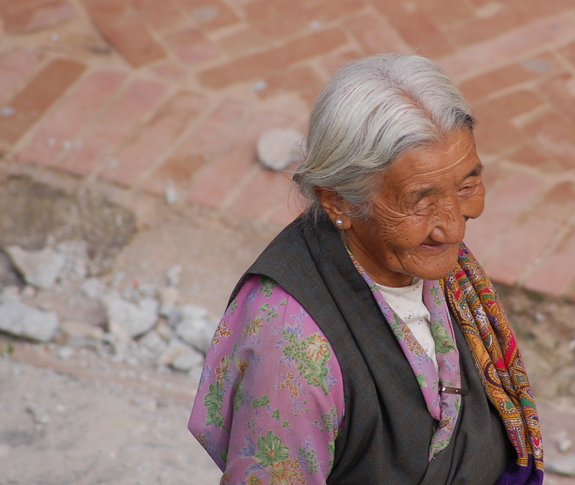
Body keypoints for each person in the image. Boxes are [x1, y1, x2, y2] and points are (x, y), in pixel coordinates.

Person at [188, 54, 544, 484]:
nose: (453, 225)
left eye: (467, 185)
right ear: (339, 202)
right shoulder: (292, 349)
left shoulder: (429, 257)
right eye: (421, 201)